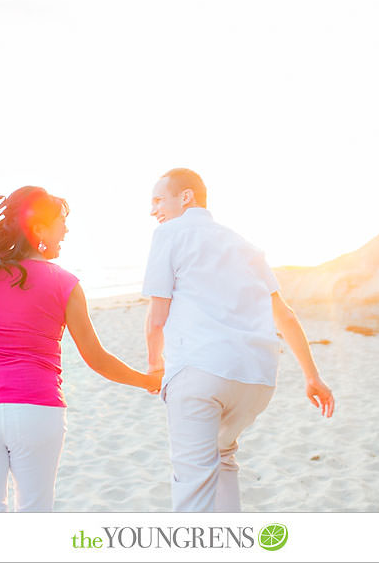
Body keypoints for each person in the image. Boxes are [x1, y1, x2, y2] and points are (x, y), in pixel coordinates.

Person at [0, 186, 158, 512]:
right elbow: (96, 358)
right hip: (36, 410)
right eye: (61, 221)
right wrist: (148, 381)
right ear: (38, 228)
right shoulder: (65, 283)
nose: (66, 229)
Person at [143, 168, 335, 512]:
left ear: (186, 196)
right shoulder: (243, 243)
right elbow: (285, 315)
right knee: (223, 460)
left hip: (201, 372)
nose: (153, 210)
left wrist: (155, 366)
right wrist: (312, 376)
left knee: (193, 483)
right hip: (257, 380)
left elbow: (157, 317)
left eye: (158, 200)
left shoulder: (170, 233)